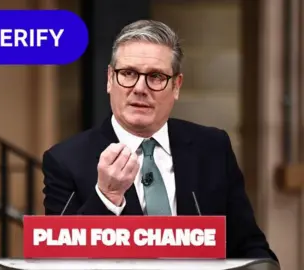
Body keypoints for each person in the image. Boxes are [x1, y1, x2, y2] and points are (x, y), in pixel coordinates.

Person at [41, 19, 278, 260]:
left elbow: (250, 247)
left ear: (176, 85)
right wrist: (107, 198)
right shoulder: (65, 160)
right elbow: (59, 260)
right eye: (128, 73)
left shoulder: (213, 148)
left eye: (155, 76)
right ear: (110, 79)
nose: (140, 88)